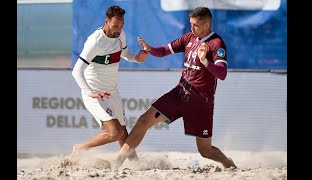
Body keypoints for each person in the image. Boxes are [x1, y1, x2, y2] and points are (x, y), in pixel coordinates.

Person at [114, 6, 237, 168]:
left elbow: (222, 74)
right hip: (180, 93)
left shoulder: (216, 43)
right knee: (144, 120)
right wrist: (150, 49)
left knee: (205, 151)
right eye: (191, 24)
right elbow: (165, 50)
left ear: (207, 25)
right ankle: (117, 162)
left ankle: (228, 164)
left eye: (196, 25)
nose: (191, 28)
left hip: (200, 103)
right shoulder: (189, 38)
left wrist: (205, 61)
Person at [71, 5, 148, 160]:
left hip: (112, 91)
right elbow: (76, 71)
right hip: (95, 92)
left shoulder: (121, 35)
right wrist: (90, 92)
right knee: (115, 133)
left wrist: (137, 58)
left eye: (121, 26)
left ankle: (135, 166)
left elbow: (125, 53)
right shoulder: (95, 41)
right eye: (115, 26)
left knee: (124, 135)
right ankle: (79, 148)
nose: (118, 29)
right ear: (106, 21)